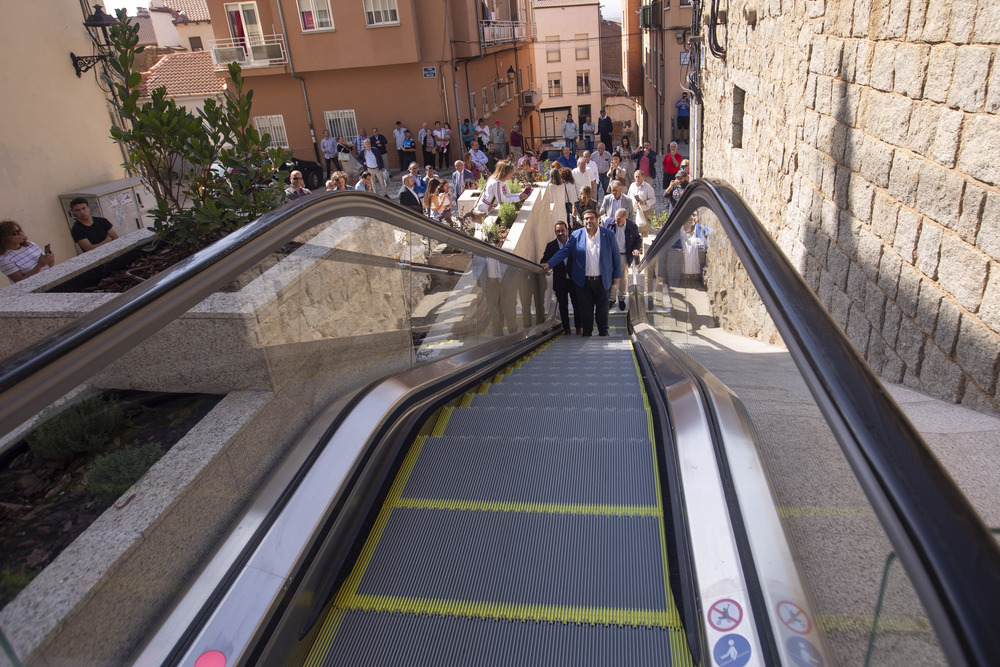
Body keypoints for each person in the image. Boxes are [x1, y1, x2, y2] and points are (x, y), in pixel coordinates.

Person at [540, 209, 621, 337]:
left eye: (592, 218)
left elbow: (616, 255)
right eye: (586, 219)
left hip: (603, 280)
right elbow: (565, 251)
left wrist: (617, 275)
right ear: (583, 221)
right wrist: (549, 263)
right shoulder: (576, 235)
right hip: (583, 281)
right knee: (586, 310)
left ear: (597, 219)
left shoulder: (608, 234)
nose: (589, 221)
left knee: (602, 309)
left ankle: (603, 333)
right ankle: (587, 334)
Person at [540, 220, 579, 335]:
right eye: (558, 231)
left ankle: (579, 328)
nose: (561, 233)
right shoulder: (551, 246)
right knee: (563, 306)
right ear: (555, 232)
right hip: (560, 281)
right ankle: (566, 328)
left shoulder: (574, 243)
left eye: (563, 230)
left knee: (577, 305)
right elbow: (544, 261)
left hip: (574, 280)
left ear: (567, 231)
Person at [606, 207, 642, 311]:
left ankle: (621, 298)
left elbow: (637, 239)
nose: (617, 222)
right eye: (616, 220)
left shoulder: (632, 226)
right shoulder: (609, 223)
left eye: (619, 220)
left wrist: (636, 248)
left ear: (625, 218)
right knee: (612, 278)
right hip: (612, 255)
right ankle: (611, 299)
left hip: (624, 255)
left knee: (623, 278)